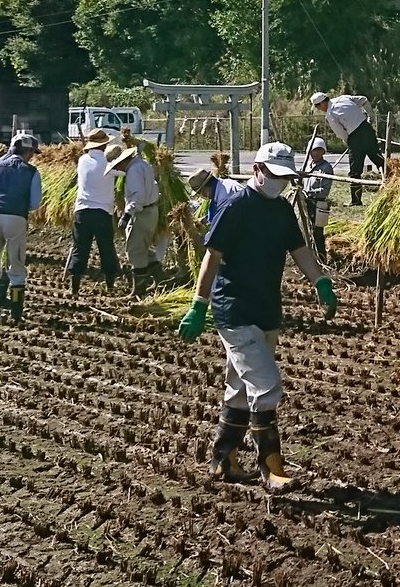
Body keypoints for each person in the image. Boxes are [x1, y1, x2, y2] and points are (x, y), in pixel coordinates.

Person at [177, 142, 339, 490]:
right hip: (235, 310)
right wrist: (198, 304)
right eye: (274, 175)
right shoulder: (236, 207)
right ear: (257, 170)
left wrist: (320, 281)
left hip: (267, 309)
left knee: (238, 389)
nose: (279, 182)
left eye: (284, 177)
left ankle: (224, 460)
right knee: (266, 386)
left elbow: (299, 249)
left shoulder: (281, 210)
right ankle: (271, 468)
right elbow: (212, 255)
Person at [0, 134, 42, 324]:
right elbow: (34, 203)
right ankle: (15, 315)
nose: (32, 156)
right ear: (28, 151)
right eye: (32, 152)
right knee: (16, 266)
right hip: (16, 218)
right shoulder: (32, 171)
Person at [69, 129, 119, 295]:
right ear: (104, 145)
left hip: (82, 211)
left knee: (80, 248)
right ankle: (110, 286)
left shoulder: (82, 160)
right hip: (102, 212)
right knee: (106, 248)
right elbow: (123, 171)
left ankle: (74, 287)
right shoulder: (108, 163)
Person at [311, 91, 383, 205]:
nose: (319, 109)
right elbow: (363, 99)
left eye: (318, 107)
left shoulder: (330, 115)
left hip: (355, 137)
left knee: (355, 171)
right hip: (367, 129)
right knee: (378, 159)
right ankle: (395, 183)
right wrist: (370, 116)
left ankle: (356, 201)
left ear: (322, 103)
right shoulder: (343, 98)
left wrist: (349, 141)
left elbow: (341, 133)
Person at [111, 142, 162, 295]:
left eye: (116, 165)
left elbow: (138, 196)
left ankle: (139, 290)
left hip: (142, 213)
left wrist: (127, 214)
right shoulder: (143, 164)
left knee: (135, 251)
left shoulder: (133, 171)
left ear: (122, 161)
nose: (117, 169)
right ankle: (161, 279)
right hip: (151, 211)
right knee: (144, 248)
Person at [301, 138, 334, 260]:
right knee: (307, 232)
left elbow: (324, 190)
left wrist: (307, 192)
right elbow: (301, 182)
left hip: (318, 204)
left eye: (319, 150)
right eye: (313, 150)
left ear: (323, 151)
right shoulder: (306, 165)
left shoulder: (326, 168)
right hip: (306, 203)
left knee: (317, 233)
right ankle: (309, 259)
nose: (316, 153)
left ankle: (321, 259)